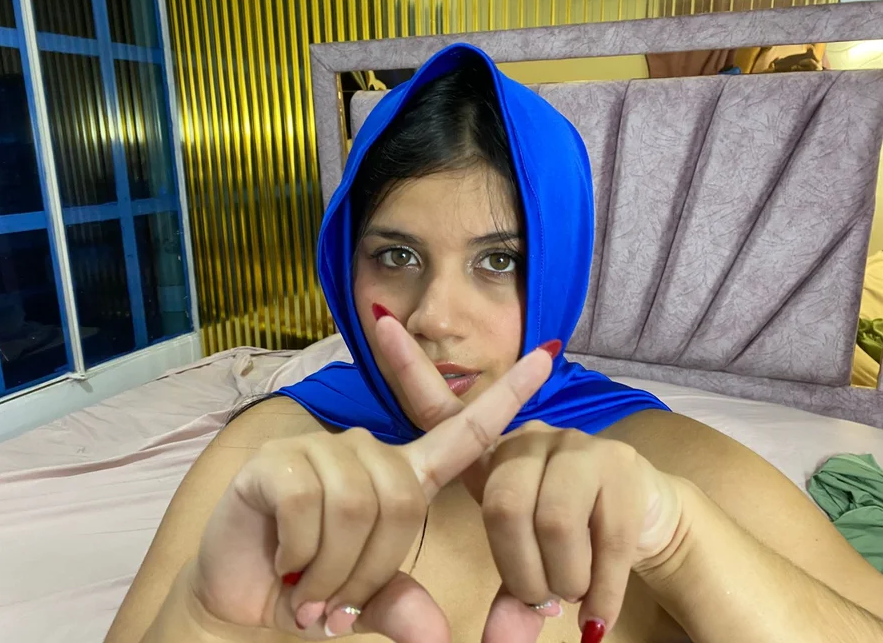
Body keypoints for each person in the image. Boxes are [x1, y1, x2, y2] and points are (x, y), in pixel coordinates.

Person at [106, 44, 883, 643]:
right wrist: (204, 624)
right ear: (346, 265)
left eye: (499, 262)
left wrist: (680, 540)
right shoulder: (271, 459)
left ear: (560, 270)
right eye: (396, 256)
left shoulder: (666, 465)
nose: (435, 319)